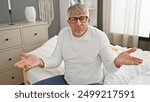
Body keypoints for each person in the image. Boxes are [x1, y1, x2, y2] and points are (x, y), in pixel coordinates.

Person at [14, 3, 143, 85]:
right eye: (73, 19)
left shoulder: (99, 36)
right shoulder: (64, 33)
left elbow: (110, 67)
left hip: (92, 84)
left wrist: (117, 61)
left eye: (82, 18)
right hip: (67, 81)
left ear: (88, 20)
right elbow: (56, 59)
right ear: (68, 22)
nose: (78, 23)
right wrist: (39, 61)